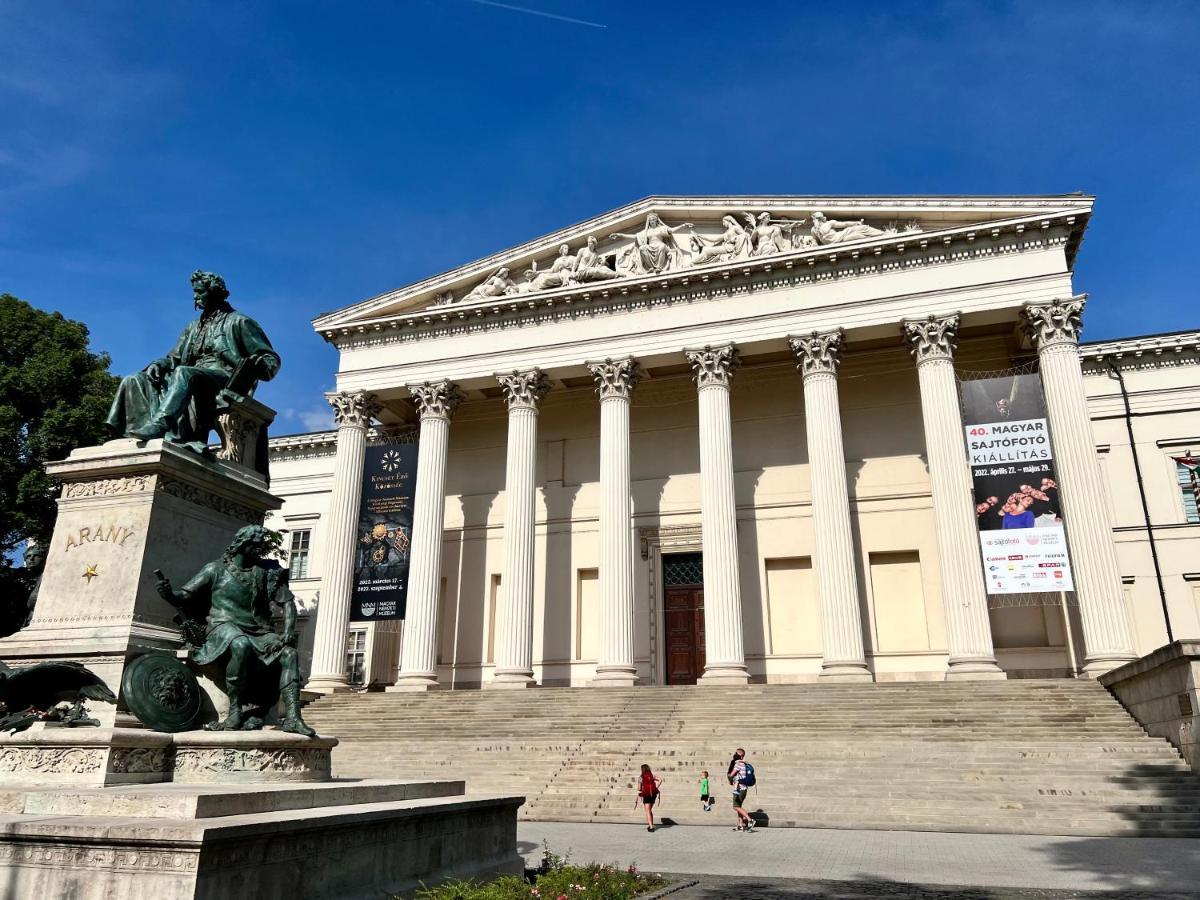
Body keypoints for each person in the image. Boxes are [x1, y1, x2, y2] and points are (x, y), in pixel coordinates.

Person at [155, 524, 316, 737]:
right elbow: (185, 596)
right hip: (222, 627)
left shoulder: (267, 572)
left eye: (261, 547)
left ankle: (293, 718)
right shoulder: (215, 569)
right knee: (240, 644)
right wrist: (169, 595)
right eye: (255, 546)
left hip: (259, 630)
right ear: (242, 545)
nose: (259, 551)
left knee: (289, 654)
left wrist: (287, 631)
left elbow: (287, 603)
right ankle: (235, 709)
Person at [106, 271, 280, 454]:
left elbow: (270, 360)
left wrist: (256, 364)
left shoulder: (239, 321)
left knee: (183, 373)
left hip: (224, 377)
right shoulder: (193, 326)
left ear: (213, 292)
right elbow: (174, 357)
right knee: (135, 379)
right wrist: (159, 364)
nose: (195, 297)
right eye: (194, 293)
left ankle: (160, 425)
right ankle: (127, 434)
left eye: (199, 292)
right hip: (192, 374)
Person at [727, 747, 755, 832]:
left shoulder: (738, 764)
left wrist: (729, 777)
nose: (734, 755)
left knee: (735, 807)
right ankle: (740, 825)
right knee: (739, 807)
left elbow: (731, 775)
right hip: (744, 788)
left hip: (739, 789)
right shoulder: (744, 764)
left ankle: (750, 820)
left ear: (739, 755)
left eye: (736, 753)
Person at [637, 763, 663, 832]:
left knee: (647, 811)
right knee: (649, 810)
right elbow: (660, 780)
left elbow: (639, 788)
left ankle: (651, 827)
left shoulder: (641, 777)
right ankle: (650, 824)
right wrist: (656, 787)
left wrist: (641, 788)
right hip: (653, 794)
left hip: (646, 795)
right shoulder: (652, 775)